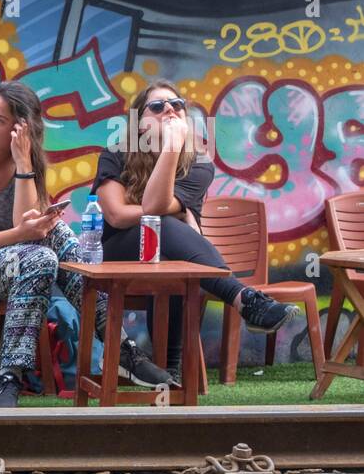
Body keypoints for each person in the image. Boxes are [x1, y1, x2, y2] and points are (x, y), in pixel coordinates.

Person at [0, 82, 170, 407]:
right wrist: (22, 234)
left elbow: (27, 225)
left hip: (14, 268)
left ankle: (115, 351)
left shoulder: (26, 164)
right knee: (39, 256)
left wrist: (25, 165)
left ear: (21, 130)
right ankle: (114, 351)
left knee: (53, 238)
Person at [93, 79, 296, 385]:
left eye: (177, 106)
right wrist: (172, 207)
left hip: (172, 254)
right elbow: (118, 216)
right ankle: (245, 300)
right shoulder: (115, 154)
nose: (170, 112)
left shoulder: (198, 163)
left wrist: (172, 155)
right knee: (167, 226)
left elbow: (150, 206)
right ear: (138, 124)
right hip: (117, 254)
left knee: (170, 248)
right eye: (158, 107)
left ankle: (169, 371)